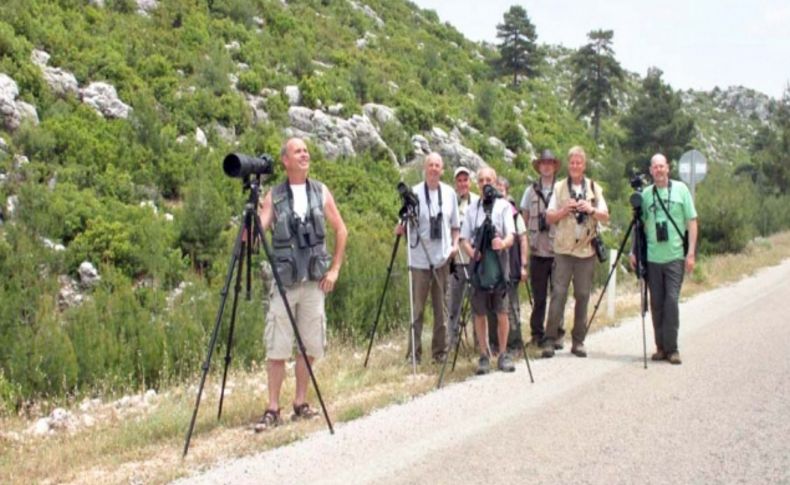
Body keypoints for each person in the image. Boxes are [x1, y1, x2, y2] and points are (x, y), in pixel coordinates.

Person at [254, 137, 348, 431]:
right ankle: (272, 407)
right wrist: (253, 219)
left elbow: (341, 229)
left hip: (314, 281)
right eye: (298, 151)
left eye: (306, 150)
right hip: (284, 284)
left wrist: (334, 269)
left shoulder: (321, 191)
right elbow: (256, 236)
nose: (304, 154)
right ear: (285, 160)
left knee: (309, 345)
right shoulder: (274, 195)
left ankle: (300, 402)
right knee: (277, 347)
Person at [630, 153, 698, 365]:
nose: (658, 170)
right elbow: (638, 226)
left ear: (668, 168)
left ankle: (673, 348)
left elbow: (692, 222)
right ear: (651, 171)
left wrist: (691, 253)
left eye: (662, 166)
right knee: (657, 304)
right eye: (655, 167)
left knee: (671, 302)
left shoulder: (681, 190)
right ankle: (660, 347)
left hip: (675, 257)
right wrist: (633, 252)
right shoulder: (646, 195)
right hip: (653, 259)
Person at [542, 146, 609, 358]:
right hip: (563, 250)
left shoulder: (594, 189)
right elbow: (549, 217)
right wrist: (565, 210)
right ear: (568, 164)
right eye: (572, 162)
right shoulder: (560, 187)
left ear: (584, 165)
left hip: (586, 251)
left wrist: (590, 210)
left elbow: (605, 216)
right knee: (558, 295)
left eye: (579, 162)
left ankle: (578, 341)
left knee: (582, 295)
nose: (575, 166)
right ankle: (550, 339)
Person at [395, 153, 460, 364]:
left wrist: (454, 245)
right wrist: (400, 228)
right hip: (419, 262)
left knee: (441, 310)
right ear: (425, 168)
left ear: (442, 170)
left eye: (437, 166)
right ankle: (413, 354)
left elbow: (455, 226)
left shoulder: (449, 193)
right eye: (430, 165)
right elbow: (402, 224)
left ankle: (439, 353)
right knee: (417, 310)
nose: (433, 169)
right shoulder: (414, 193)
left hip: (441, 260)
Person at [460, 167, 516, 374]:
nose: (485, 183)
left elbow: (512, 235)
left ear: (494, 181)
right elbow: (464, 238)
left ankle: (503, 353)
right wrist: (472, 252)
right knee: (480, 312)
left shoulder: (503, 206)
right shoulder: (472, 209)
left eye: (489, 180)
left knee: (502, 311)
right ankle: (484, 355)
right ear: (478, 184)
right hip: (479, 265)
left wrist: (501, 243)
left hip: (500, 262)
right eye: (482, 180)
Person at [520, 149, 563, 348]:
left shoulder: (562, 190)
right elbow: (524, 220)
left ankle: (556, 333)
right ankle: (537, 334)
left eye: (550, 163)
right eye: (543, 163)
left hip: (558, 252)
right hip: (537, 252)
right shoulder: (530, 191)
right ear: (539, 166)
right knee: (539, 297)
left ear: (554, 166)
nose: (546, 166)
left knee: (558, 295)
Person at [487, 176, 527, 354]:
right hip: (493, 267)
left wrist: (524, 264)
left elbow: (523, 238)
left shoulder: (514, 212)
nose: (499, 191)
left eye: (502, 188)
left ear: (507, 191)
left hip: (511, 264)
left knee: (511, 306)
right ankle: (496, 343)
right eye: (497, 188)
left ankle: (515, 343)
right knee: (494, 307)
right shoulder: (489, 210)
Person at [447, 166, 479, 344]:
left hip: (473, 258)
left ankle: (478, 341)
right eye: (459, 180)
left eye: (465, 180)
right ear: (455, 183)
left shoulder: (477, 201)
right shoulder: (450, 201)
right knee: (454, 303)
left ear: (469, 181)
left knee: (476, 303)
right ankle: (452, 342)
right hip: (456, 261)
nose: (462, 183)